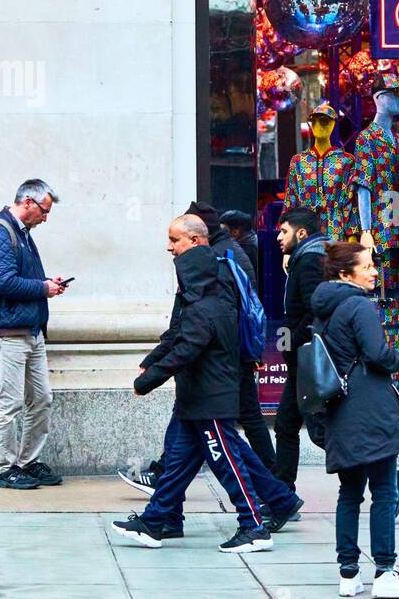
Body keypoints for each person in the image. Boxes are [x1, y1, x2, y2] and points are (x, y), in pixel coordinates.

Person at [112, 215, 302, 553]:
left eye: (175, 243)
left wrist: (149, 379)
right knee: (177, 461)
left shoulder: (207, 303)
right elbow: (178, 335)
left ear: (195, 249)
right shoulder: (203, 296)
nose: (170, 249)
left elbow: (187, 346)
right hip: (198, 397)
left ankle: (254, 526)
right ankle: (156, 521)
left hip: (211, 397)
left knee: (228, 462)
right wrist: (154, 360)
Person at [116, 200, 275, 494]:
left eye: (174, 239)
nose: (169, 247)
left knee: (230, 440)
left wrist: (153, 371)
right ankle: (164, 508)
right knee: (207, 438)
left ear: (197, 237)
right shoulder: (213, 259)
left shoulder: (213, 264)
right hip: (217, 364)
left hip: (217, 366)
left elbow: (197, 328)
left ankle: (264, 506)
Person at [310, 242, 399, 599]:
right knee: (383, 491)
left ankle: (349, 574)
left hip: (341, 408)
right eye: (367, 266)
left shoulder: (323, 307)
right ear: (346, 274)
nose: (375, 271)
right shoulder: (357, 305)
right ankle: (385, 572)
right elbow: (378, 353)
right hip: (369, 405)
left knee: (349, 493)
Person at [0, 179, 67, 491]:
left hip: (30, 330)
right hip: (8, 332)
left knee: (41, 399)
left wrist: (46, 281)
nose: (46, 217)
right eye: (44, 210)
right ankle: (5, 469)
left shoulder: (22, 234)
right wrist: (44, 288)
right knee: (10, 402)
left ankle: (27, 461)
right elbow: (4, 283)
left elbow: (20, 278)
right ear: (27, 202)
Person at [273, 206, 328, 489]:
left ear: (301, 233)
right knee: (285, 424)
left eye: (284, 231)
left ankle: (385, 476)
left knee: (320, 430)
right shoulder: (305, 256)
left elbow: (312, 310)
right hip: (301, 360)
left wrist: (289, 342)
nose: (279, 237)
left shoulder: (308, 260)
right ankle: (283, 493)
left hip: (307, 360)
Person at [218, 209, 258, 274]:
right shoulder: (253, 241)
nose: (221, 233)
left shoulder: (247, 250)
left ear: (235, 232)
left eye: (224, 230)